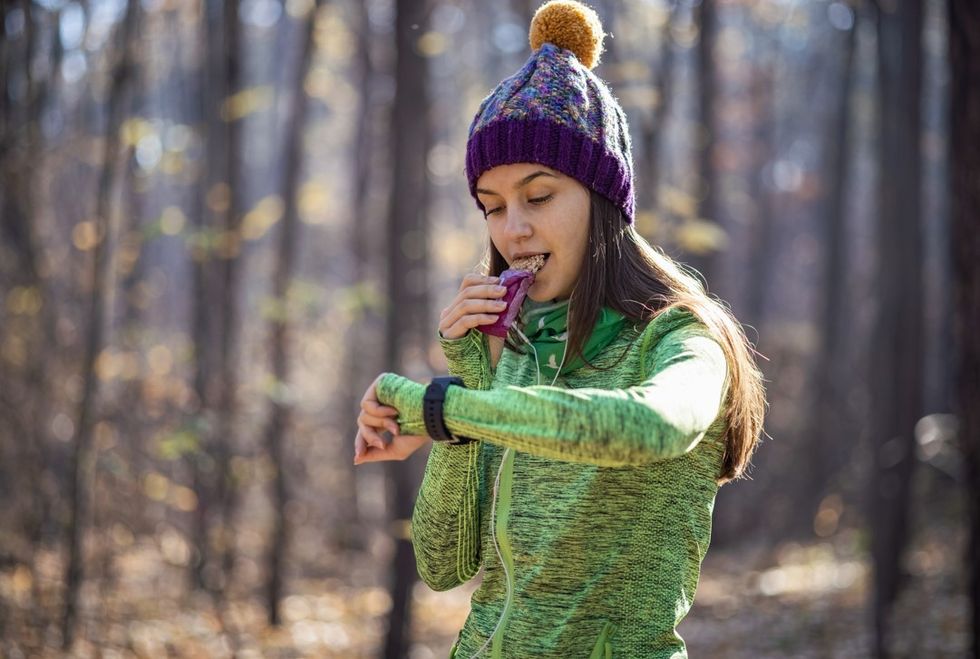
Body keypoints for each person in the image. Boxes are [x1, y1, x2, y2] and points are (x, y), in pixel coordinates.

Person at [353, 1, 767, 657]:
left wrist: (442, 405)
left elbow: (648, 426)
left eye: (538, 196)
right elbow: (443, 563)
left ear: (602, 202)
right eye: (493, 207)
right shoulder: (515, 350)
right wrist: (470, 382)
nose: (511, 228)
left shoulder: (684, 339)